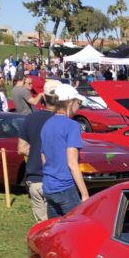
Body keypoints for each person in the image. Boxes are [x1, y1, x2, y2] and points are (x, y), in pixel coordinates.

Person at [40, 84, 90, 217]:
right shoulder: (72, 126)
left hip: (48, 187)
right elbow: (72, 163)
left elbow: (43, 158)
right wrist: (85, 194)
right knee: (75, 226)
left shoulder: (46, 124)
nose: (79, 107)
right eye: (78, 103)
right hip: (65, 187)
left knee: (55, 227)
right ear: (70, 103)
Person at [17, 80, 59, 222]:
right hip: (55, 179)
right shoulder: (64, 121)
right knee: (57, 225)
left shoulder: (30, 118)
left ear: (44, 97)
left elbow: (21, 149)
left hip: (34, 179)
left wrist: (36, 150)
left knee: (42, 225)